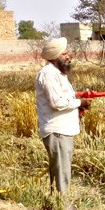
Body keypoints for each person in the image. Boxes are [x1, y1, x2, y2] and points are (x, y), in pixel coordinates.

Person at [35, 37, 91, 197]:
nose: (69, 56)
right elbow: (57, 102)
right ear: (55, 57)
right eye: (65, 53)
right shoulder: (48, 75)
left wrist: (78, 101)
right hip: (57, 131)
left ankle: (57, 202)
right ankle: (63, 208)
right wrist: (79, 102)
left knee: (60, 170)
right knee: (62, 172)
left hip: (63, 130)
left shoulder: (59, 74)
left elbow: (64, 97)